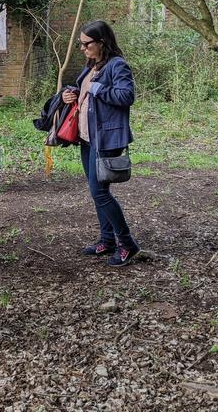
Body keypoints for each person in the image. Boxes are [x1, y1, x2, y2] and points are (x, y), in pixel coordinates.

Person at [62, 20, 140, 267]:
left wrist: (98, 88)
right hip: (87, 137)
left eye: (86, 44)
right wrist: (70, 93)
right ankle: (107, 240)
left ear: (102, 42)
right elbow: (84, 91)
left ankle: (127, 244)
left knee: (100, 192)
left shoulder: (117, 65)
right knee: (98, 193)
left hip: (106, 139)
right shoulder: (92, 66)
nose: (83, 48)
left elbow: (127, 96)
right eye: (80, 44)